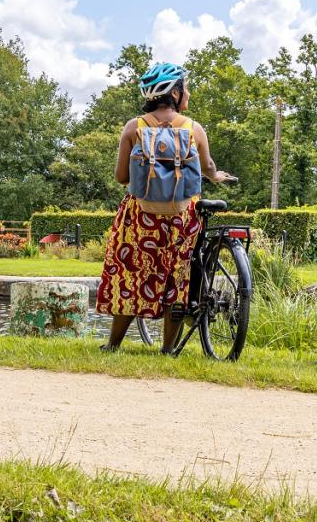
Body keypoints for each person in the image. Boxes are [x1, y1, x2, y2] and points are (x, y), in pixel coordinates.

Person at [96, 62, 230, 352]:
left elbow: (121, 177)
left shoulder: (134, 127)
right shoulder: (194, 128)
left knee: (132, 274)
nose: (189, 94)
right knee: (178, 276)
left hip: (141, 217)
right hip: (182, 217)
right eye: (187, 88)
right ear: (176, 93)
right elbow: (207, 167)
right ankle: (168, 349)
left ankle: (113, 344)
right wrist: (216, 175)